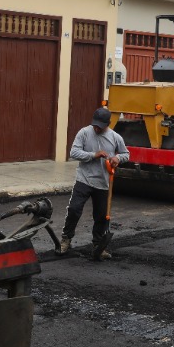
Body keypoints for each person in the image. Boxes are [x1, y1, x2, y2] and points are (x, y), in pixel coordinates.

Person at [59, 107, 130, 260]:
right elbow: (74, 153)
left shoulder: (115, 137)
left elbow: (126, 154)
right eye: (95, 125)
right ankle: (66, 239)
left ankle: (98, 246)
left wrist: (117, 158)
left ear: (108, 124)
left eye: (100, 126)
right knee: (74, 209)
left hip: (103, 183)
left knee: (101, 216)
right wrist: (93, 155)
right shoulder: (84, 133)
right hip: (84, 179)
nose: (96, 128)